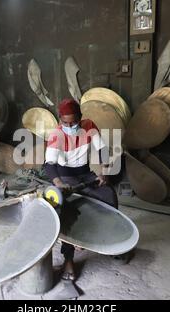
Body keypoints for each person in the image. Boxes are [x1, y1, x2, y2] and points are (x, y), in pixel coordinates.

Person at [44, 98, 118, 281]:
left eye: (74, 121)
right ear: (60, 120)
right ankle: (68, 258)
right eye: (65, 122)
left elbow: (102, 149)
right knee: (65, 208)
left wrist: (103, 173)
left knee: (109, 195)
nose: (70, 125)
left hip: (85, 173)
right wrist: (59, 183)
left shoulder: (89, 126)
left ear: (81, 117)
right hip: (65, 176)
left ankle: (114, 243)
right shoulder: (56, 135)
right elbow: (49, 164)